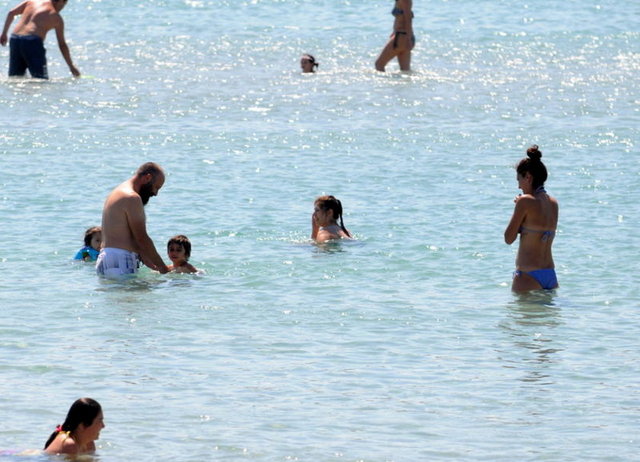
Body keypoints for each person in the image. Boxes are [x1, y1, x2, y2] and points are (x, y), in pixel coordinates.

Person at [97, 162, 169, 278]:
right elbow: (142, 238)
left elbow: (127, 234)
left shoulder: (117, 192)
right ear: (147, 178)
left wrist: (145, 258)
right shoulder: (132, 197)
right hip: (120, 260)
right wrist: (163, 268)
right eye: (156, 187)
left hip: (106, 259)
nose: (155, 193)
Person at [504, 145, 559, 292]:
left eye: (519, 180)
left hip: (528, 275)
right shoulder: (553, 203)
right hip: (550, 274)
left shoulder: (524, 202)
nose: (519, 187)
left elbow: (509, 238)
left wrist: (519, 207)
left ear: (528, 177)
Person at [0, 0, 80, 79]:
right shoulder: (56, 18)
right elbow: (62, 44)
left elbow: (11, 13)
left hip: (15, 39)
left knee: (15, 77)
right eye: (64, 4)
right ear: (60, 1)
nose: (62, 7)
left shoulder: (32, 1)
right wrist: (71, 66)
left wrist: (4, 34)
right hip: (32, 42)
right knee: (40, 79)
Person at [375, 0, 414, 72]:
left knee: (379, 64)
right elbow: (401, 18)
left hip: (401, 36)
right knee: (405, 70)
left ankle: (380, 80)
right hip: (403, 36)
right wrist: (394, 31)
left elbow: (408, 19)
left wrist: (408, 38)